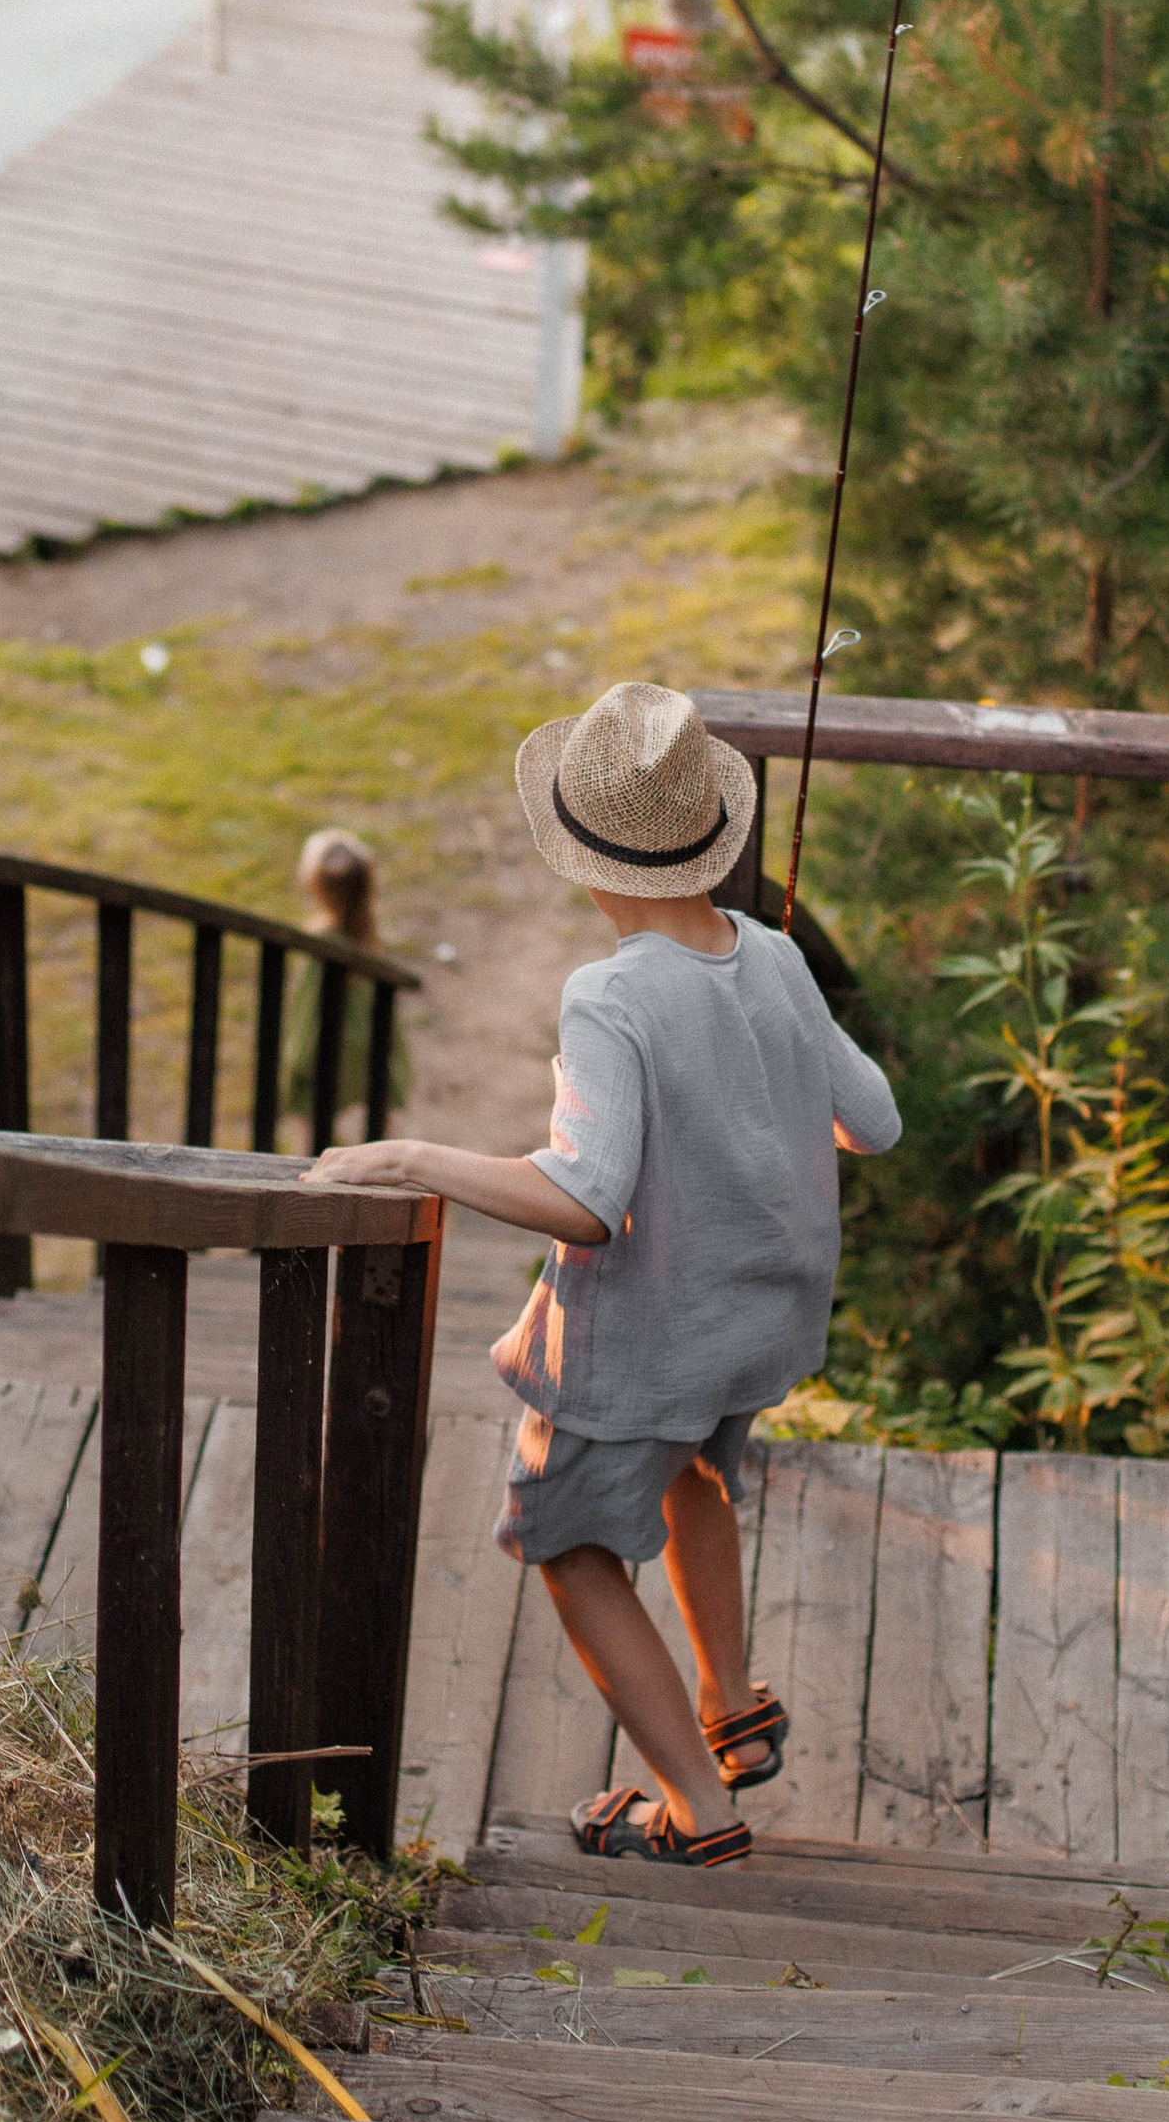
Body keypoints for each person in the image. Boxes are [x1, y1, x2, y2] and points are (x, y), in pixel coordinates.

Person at [307, 679, 901, 1867]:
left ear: (579, 854)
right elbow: (872, 1121)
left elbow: (583, 1203)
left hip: (646, 1345)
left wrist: (408, 1153)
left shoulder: (610, 994)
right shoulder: (775, 954)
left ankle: (698, 1809)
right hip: (760, 1327)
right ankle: (729, 1701)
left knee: (573, 1552)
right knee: (693, 1478)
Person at [281, 827, 408, 1142]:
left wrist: (295, 1065)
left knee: (313, 1136)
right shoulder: (372, 943)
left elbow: (305, 1014)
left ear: (314, 885)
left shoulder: (320, 946)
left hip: (325, 1057)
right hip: (369, 1058)